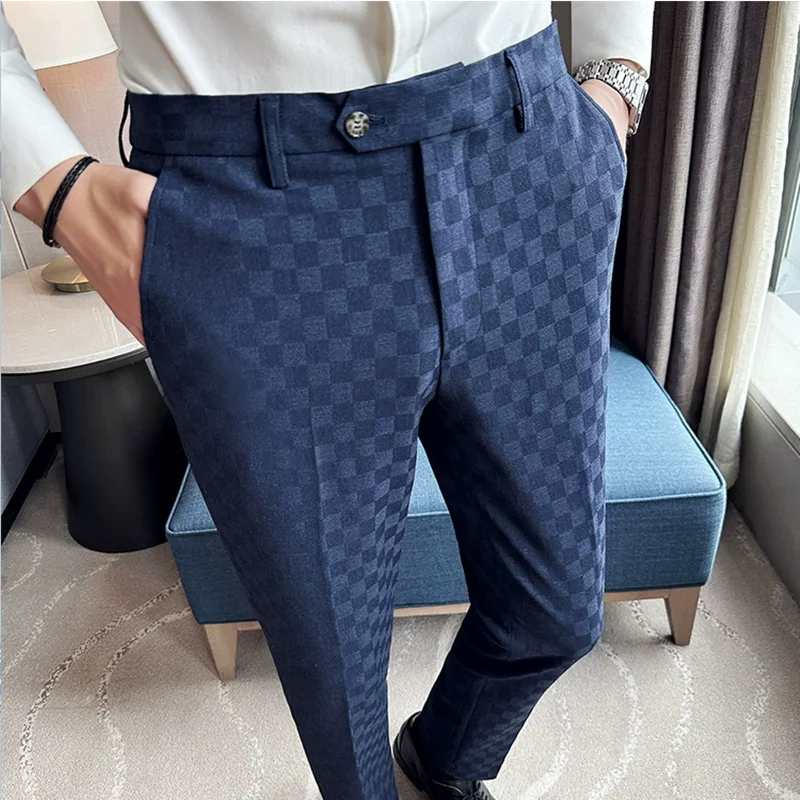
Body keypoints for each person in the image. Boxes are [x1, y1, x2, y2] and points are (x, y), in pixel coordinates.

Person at [2, 3, 654, 798]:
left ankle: (443, 762)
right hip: (251, 205)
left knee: (557, 609)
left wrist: (617, 78)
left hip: (524, 152)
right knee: (334, 671)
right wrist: (56, 187)